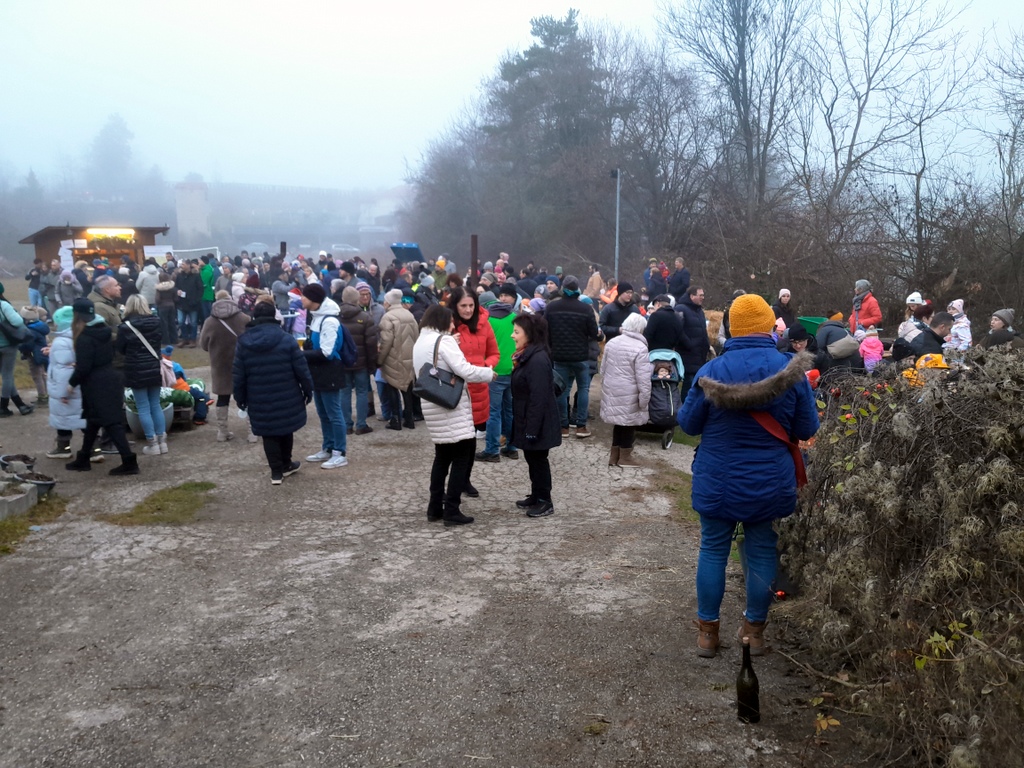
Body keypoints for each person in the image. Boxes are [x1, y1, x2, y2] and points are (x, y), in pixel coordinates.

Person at [677, 294, 819, 658]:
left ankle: (707, 634)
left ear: (731, 329)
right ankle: (754, 633)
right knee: (761, 550)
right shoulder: (792, 371)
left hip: (717, 478)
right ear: (771, 326)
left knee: (713, 549)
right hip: (770, 480)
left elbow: (689, 425)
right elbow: (807, 428)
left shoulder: (711, 371)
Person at [413, 305, 496, 526]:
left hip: (432, 402)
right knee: (463, 456)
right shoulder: (445, 341)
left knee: (442, 456)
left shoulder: (421, 340)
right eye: (450, 321)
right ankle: (452, 509)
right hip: (450, 404)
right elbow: (464, 370)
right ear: (441, 320)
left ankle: (434, 507)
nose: (453, 326)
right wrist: (489, 373)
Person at [233, 301, 314, 485]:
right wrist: (307, 389)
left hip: (258, 395)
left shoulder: (244, 343)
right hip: (287, 392)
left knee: (269, 433)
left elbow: (238, 374)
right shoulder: (286, 339)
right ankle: (286, 464)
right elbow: (301, 368)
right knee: (286, 428)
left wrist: (240, 397)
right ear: (274, 316)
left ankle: (276, 472)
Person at [63, 298, 139, 475]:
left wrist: (71, 384)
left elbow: (83, 367)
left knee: (112, 423)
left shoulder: (84, 338)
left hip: (97, 384)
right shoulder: (105, 331)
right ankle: (83, 458)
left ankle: (129, 461)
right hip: (110, 377)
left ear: (77, 316)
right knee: (93, 421)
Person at [510, 312, 562, 518]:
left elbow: (538, 398)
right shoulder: (527, 355)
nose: (513, 335)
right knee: (532, 458)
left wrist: (532, 428)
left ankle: (545, 501)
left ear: (529, 334)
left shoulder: (537, 359)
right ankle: (536, 494)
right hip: (528, 417)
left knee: (539, 460)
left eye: (516, 332)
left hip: (538, 421)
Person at [449, 287, 499, 492]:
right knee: (455, 441)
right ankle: (454, 482)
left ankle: (465, 480)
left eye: (471, 305)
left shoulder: (484, 324)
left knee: (471, 440)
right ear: (455, 306)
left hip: (478, 388)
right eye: (463, 306)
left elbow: (494, 353)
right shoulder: (448, 325)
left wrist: (485, 366)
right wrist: (447, 341)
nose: (468, 310)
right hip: (456, 389)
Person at [300, 283, 350, 469]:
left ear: (313, 299)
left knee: (334, 413)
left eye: (304, 296)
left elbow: (327, 352)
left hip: (329, 371)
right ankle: (328, 447)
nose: (301, 299)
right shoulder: (316, 317)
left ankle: (339, 452)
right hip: (318, 371)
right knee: (322, 412)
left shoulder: (329, 320)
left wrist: (302, 354)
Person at [545, 275, 601, 439]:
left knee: (562, 390)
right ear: (577, 289)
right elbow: (594, 333)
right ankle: (581, 426)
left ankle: (563, 427)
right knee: (583, 389)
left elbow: (544, 329)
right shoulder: (585, 309)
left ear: (562, 289)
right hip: (580, 356)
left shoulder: (552, 307)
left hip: (559, 355)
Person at [115, 295, 169, 456]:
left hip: (135, 368)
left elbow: (121, 349)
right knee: (155, 404)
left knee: (143, 406)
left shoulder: (125, 327)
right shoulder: (156, 322)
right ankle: (162, 442)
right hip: (153, 366)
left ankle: (152, 443)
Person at [600, 313, 653, 468]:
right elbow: (643, 378)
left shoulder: (612, 343)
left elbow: (603, 369)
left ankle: (614, 456)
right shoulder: (640, 348)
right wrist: (644, 400)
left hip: (612, 388)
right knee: (629, 424)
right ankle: (625, 457)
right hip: (630, 392)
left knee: (618, 422)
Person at [199, 290, 252, 442]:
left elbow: (203, 345)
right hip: (242, 363)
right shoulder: (244, 318)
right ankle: (252, 432)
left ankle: (222, 432)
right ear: (230, 299)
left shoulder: (209, 322)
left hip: (220, 364)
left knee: (222, 398)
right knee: (249, 396)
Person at [478, 285, 520, 462]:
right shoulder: (515, 318)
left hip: (494, 371)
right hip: (514, 368)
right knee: (510, 411)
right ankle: (512, 447)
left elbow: (482, 347)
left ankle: (492, 450)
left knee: (493, 412)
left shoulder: (487, 321)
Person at [45, 306, 87, 459]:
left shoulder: (61, 342)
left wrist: (64, 392)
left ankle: (63, 447)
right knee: (85, 418)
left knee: (62, 418)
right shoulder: (82, 336)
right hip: (82, 387)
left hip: (66, 389)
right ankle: (94, 448)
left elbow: (64, 371)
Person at [338, 286, 378, 436]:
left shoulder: (335, 317)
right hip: (361, 362)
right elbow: (371, 343)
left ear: (343, 298)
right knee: (362, 392)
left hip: (342, 362)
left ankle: (347, 425)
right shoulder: (365, 318)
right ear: (357, 299)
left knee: (344, 392)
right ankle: (361, 424)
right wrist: (372, 363)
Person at [378, 288, 419, 430]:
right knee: (407, 388)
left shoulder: (388, 317)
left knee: (392, 388)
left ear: (388, 302)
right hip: (409, 357)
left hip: (393, 358)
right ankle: (409, 419)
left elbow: (386, 341)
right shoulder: (409, 315)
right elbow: (416, 336)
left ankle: (396, 420)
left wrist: (379, 360)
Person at [0, 283, 34, 417]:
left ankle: (20, 405)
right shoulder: (3, 305)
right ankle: (3, 407)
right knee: (7, 376)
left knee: (6, 376)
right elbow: (17, 322)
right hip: (8, 345)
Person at [675, 285, 710, 398]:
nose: (703, 298)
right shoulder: (680, 309)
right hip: (688, 355)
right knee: (689, 386)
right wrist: (689, 344)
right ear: (692, 296)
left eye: (703, 295)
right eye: (700, 295)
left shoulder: (699, 311)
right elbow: (678, 329)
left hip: (699, 355)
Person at [175, 260, 204, 347]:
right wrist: (177, 291)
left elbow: (200, 288)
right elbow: (175, 286)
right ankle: (185, 338)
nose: (181, 266)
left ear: (188, 265)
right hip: (181, 303)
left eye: (183, 264)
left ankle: (193, 340)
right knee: (180, 321)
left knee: (193, 323)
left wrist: (196, 300)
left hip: (193, 303)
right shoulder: (179, 275)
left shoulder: (196, 275)